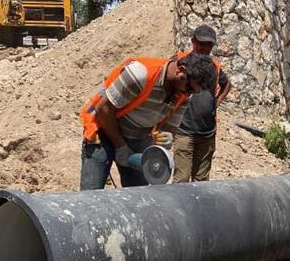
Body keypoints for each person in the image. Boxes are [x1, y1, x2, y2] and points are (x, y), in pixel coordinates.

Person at [79, 53, 215, 190]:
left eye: (194, 92)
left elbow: (169, 127)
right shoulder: (140, 74)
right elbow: (103, 109)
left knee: (139, 196)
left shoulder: (184, 94)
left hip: (138, 136)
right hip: (104, 129)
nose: (188, 94)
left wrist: (166, 138)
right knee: (90, 195)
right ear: (181, 71)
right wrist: (120, 146)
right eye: (189, 88)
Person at [172, 25, 231, 183]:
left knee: (202, 182)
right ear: (193, 41)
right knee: (181, 181)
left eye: (209, 44)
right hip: (184, 132)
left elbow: (227, 84)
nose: (205, 48)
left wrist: (217, 101)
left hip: (207, 134)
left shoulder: (215, 67)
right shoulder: (180, 61)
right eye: (202, 43)